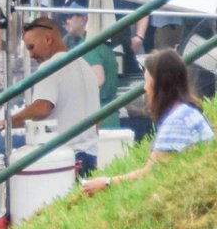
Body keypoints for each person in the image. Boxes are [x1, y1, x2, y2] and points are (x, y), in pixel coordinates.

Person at [83, 48, 213, 194]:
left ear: (160, 85)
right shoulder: (186, 111)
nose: (145, 88)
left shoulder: (177, 120)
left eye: (147, 81)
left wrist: (107, 183)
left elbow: (152, 172)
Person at [0, 16, 100, 172]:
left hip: (67, 159)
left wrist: (3, 123)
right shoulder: (85, 66)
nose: (30, 54)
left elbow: (41, 108)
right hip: (91, 156)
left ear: (48, 39)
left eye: (31, 47)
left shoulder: (50, 67)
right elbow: (98, 121)